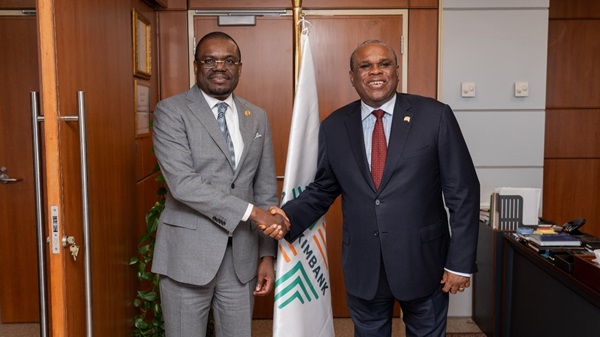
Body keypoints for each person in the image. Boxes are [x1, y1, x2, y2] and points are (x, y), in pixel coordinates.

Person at [270, 40, 480, 337]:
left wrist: (459, 264)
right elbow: (323, 189)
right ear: (352, 77)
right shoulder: (334, 126)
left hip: (423, 261)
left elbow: (463, 193)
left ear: (396, 70)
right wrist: (287, 217)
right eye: (365, 66)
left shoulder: (435, 116)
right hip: (364, 264)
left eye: (384, 64)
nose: (375, 72)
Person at [151, 31, 287, 337]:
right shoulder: (171, 112)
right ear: (196, 65)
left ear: (240, 66)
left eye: (228, 60)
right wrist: (253, 213)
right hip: (187, 256)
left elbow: (265, 189)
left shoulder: (257, 117)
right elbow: (183, 184)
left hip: (241, 259)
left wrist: (267, 255)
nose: (219, 66)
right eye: (209, 60)